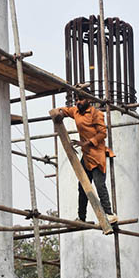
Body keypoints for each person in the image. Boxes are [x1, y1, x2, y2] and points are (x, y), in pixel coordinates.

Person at [56, 87, 118, 224]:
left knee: (99, 184)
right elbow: (63, 110)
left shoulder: (96, 114)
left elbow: (102, 134)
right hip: (86, 155)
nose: (78, 102)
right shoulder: (76, 111)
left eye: (81, 99)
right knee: (83, 185)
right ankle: (82, 217)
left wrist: (86, 142)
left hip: (97, 154)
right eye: (76, 99)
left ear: (89, 100)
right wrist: (59, 113)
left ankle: (109, 214)